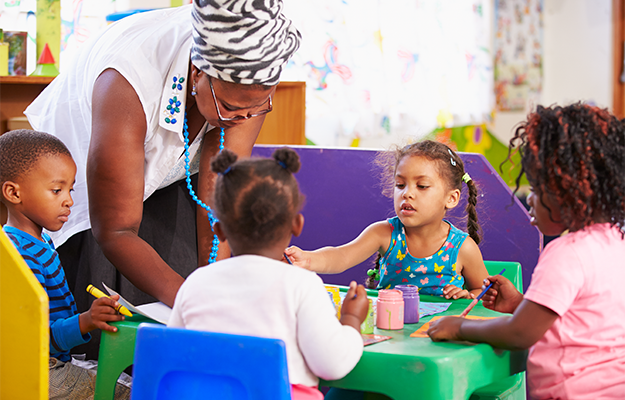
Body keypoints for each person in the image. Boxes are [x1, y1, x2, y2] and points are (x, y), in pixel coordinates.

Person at [24, 1, 300, 359]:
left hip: (176, 153)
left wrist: (216, 285)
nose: (244, 117)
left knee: (190, 275)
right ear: (198, 72)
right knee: (123, 313)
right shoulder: (127, 81)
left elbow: (218, 201)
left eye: (259, 106)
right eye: (232, 108)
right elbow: (116, 230)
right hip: (93, 176)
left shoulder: (247, 78)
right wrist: (192, 302)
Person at [427, 103, 625, 399]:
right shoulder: (615, 239)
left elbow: (520, 334)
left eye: (535, 187)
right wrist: (521, 304)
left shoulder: (567, 253)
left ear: (565, 191)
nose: (529, 198)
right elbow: (579, 320)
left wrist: (460, 327)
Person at [168, 147, 369, 400]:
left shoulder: (196, 282)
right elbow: (332, 365)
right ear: (297, 224)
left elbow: (174, 356)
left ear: (218, 231)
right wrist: (351, 319)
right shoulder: (302, 285)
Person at [0, 129, 130, 399]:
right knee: (127, 391)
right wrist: (86, 321)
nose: (69, 200)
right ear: (13, 192)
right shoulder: (21, 255)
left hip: (54, 361)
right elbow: (33, 339)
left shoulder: (39, 241)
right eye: (57, 190)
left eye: (70, 189)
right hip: (41, 369)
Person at [285, 139, 488, 300]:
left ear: (451, 198)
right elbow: (341, 256)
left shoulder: (463, 248)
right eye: (400, 185)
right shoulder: (384, 233)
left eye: (422, 186)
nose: (407, 194)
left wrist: (468, 295)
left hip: (437, 338)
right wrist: (307, 260)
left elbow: (483, 290)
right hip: (390, 332)